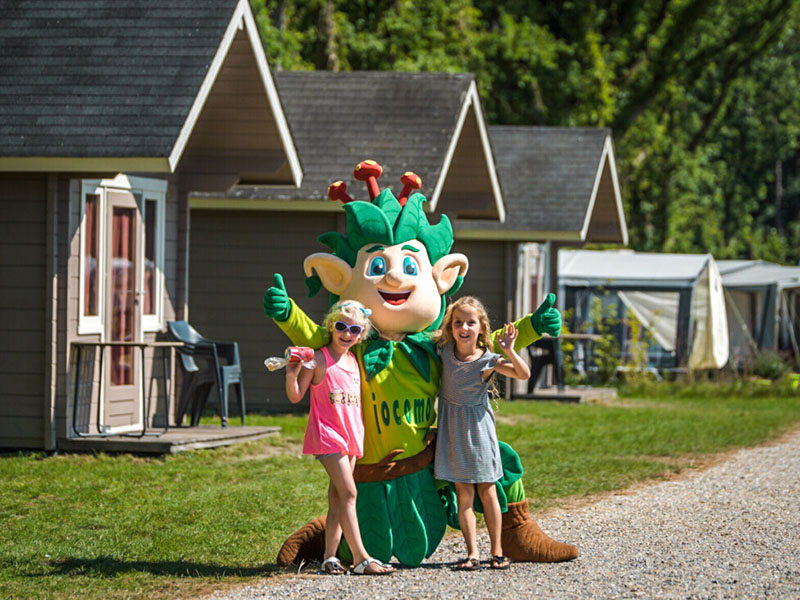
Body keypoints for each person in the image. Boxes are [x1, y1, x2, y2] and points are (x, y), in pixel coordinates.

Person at [284, 300, 395, 576]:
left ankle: (329, 557)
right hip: (327, 435)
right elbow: (296, 395)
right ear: (331, 326)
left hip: (350, 436)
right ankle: (361, 558)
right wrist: (291, 372)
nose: (347, 334)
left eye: (354, 329)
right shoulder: (318, 358)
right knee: (349, 492)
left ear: (361, 334)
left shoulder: (354, 361)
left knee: (337, 497)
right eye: (341, 327)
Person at [435, 296, 531, 571]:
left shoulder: (487, 359)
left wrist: (510, 350)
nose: (464, 327)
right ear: (450, 326)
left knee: (488, 490)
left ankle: (497, 551)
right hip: (452, 431)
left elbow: (523, 374)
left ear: (481, 328)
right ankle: (472, 552)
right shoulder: (445, 351)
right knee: (463, 492)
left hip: (478, 432)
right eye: (458, 322)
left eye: (470, 322)